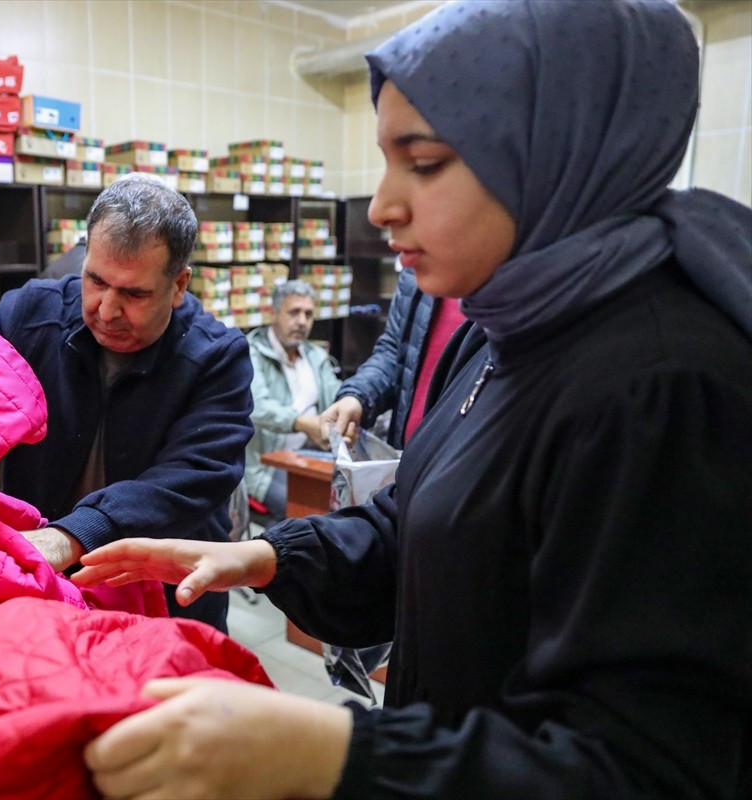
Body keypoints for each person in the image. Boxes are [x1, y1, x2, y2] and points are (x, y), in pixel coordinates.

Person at [71, 1, 752, 798]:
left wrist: (328, 749)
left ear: (552, 149)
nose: (382, 206)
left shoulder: (665, 385)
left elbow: (641, 768)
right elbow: (422, 526)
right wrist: (262, 556)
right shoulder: (504, 328)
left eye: (422, 162)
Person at [0, 174, 254, 631]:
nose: (107, 310)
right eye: (96, 281)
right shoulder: (29, 316)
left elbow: (190, 477)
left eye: (134, 293)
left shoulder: (217, 357)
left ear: (179, 284)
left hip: (165, 596)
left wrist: (74, 533)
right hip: (41, 576)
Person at [322, 262, 463, 449]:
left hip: (465, 465)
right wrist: (357, 396)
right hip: (406, 461)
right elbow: (395, 353)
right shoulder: (415, 271)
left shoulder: (504, 286)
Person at [244, 280, 341, 520]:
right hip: (266, 467)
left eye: (308, 314)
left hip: (313, 456)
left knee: (350, 503)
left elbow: (336, 397)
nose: (302, 321)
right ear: (274, 314)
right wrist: (302, 423)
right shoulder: (250, 352)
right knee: (311, 515)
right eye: (294, 312)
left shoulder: (316, 356)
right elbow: (258, 407)